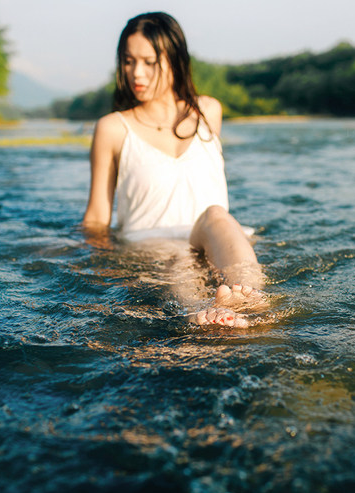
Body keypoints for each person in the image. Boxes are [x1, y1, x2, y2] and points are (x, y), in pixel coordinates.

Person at [82, 12, 264, 327]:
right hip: (150, 245)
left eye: (149, 62)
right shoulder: (112, 128)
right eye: (128, 61)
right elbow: (97, 216)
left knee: (217, 215)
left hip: (211, 238)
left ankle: (250, 297)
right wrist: (99, 265)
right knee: (177, 257)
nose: (136, 73)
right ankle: (201, 313)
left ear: (174, 59)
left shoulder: (209, 111)